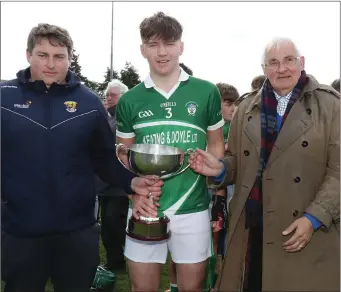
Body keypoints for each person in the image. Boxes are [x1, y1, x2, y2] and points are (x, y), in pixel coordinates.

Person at [1, 23, 163, 292]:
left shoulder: (88, 102)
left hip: (77, 231)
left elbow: (103, 157)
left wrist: (132, 183)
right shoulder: (4, 98)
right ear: (28, 54)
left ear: (69, 58)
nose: (51, 64)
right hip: (21, 231)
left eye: (59, 56)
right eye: (43, 55)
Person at [189, 37, 340, 292]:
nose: (282, 69)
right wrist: (221, 170)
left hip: (306, 229)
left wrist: (314, 217)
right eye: (273, 62)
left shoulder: (331, 105)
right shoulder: (247, 106)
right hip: (252, 230)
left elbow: (338, 171)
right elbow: (239, 161)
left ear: (301, 63)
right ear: (264, 69)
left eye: (289, 60)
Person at [115, 12, 225, 292]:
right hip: (145, 205)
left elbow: (215, 144)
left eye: (169, 43)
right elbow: (122, 155)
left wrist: (212, 168)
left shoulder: (206, 92)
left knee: (192, 288)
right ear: (143, 50)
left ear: (181, 46)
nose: (162, 52)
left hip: (193, 205)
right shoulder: (129, 100)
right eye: (152, 45)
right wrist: (132, 193)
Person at [96, 79, 130, 272]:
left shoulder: (123, 118)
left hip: (119, 183)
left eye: (113, 95)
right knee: (108, 226)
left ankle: (117, 261)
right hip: (104, 183)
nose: (108, 98)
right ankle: (115, 260)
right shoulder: (106, 117)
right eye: (107, 94)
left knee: (113, 224)